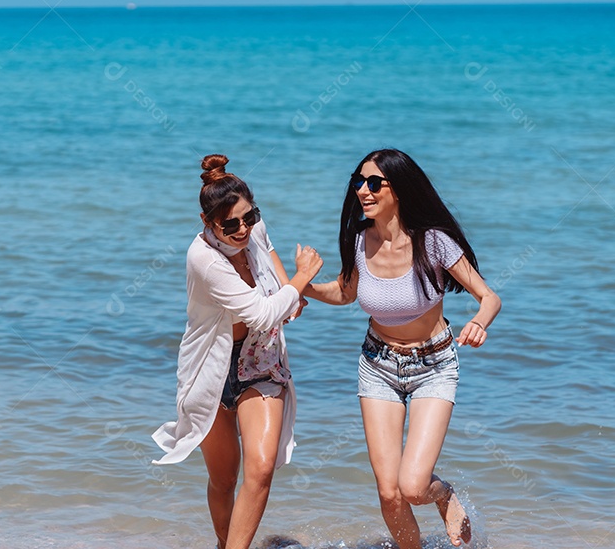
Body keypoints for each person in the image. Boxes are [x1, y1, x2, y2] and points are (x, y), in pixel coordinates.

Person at [304, 148, 501, 548]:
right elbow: (345, 293)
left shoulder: (434, 242)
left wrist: (479, 322)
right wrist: (301, 288)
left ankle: (443, 494)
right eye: (358, 182)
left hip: (434, 364)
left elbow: (489, 297)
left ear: (400, 189)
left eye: (374, 183)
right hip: (378, 364)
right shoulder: (360, 240)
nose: (363, 190)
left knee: (412, 486)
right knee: (389, 493)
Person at [152, 154, 324, 549]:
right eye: (230, 225)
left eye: (250, 216)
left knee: (260, 470)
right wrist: (299, 281)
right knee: (225, 477)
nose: (243, 229)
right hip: (210, 368)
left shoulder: (254, 228)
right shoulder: (203, 258)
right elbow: (262, 312)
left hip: (260, 360)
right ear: (208, 224)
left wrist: (290, 290)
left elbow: (273, 262)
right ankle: (223, 543)